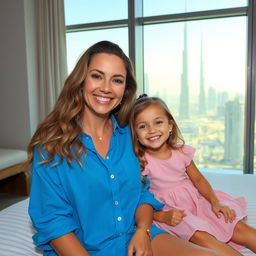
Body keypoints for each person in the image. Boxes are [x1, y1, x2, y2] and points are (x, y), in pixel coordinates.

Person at [27, 41, 221, 256]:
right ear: (81, 80)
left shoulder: (129, 137)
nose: (106, 88)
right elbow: (52, 221)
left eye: (116, 80)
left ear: (125, 90)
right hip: (86, 249)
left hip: (139, 237)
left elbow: (143, 192)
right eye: (97, 76)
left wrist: (143, 230)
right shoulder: (51, 145)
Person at [129, 95, 256, 256]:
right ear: (135, 134)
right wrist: (160, 216)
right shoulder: (140, 162)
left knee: (233, 225)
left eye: (158, 122)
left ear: (170, 125)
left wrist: (215, 202)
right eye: (142, 126)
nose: (152, 130)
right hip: (172, 212)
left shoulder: (181, 151)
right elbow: (136, 200)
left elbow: (198, 179)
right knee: (201, 237)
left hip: (196, 202)